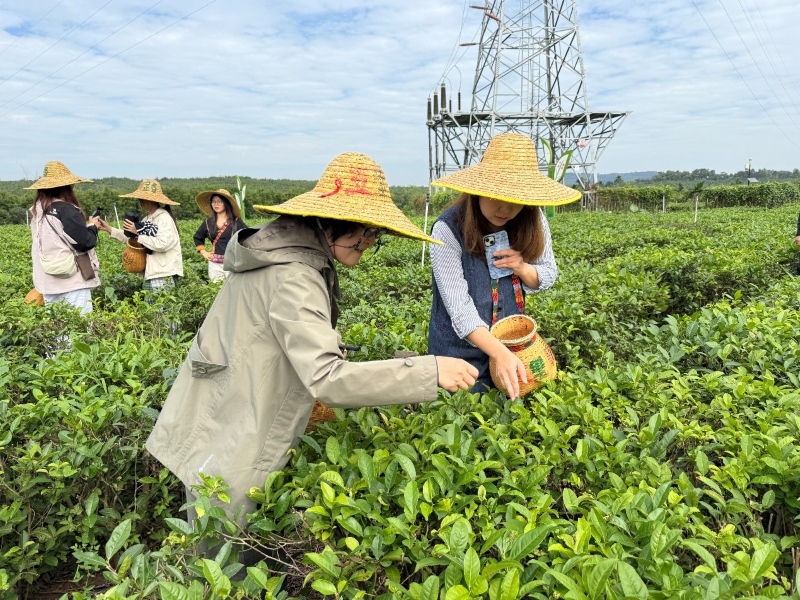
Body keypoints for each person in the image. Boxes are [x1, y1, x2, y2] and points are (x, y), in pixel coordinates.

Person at [145, 152, 478, 532]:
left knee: (210, 539)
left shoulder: (278, 254)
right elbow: (328, 378)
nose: (370, 242)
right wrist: (428, 371)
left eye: (375, 233)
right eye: (366, 231)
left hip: (225, 409)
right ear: (333, 223)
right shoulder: (296, 276)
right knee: (224, 557)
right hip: (235, 426)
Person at [427, 132, 581, 398]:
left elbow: (548, 273)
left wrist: (522, 267)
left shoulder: (532, 218)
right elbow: (461, 312)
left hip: (513, 347)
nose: (505, 208)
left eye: (516, 199)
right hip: (459, 356)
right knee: (465, 419)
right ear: (478, 189)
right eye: (496, 195)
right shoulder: (447, 229)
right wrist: (500, 354)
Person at [28, 161, 101, 314]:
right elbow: (84, 242)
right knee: (79, 331)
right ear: (66, 187)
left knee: (58, 330)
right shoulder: (65, 209)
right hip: (71, 282)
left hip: (48, 281)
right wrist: (93, 227)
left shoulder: (38, 211)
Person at [98, 179, 184, 293]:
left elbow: (163, 244)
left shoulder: (164, 218)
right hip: (152, 272)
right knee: (153, 309)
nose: (140, 202)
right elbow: (133, 240)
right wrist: (109, 229)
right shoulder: (147, 219)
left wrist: (138, 233)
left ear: (149, 200)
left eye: (141, 199)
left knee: (161, 310)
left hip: (164, 274)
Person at [193, 189, 247, 281]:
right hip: (215, 265)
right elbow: (197, 237)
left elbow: (247, 236)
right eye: (213, 202)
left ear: (226, 203)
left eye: (219, 201)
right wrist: (203, 252)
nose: (216, 204)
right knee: (216, 290)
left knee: (232, 291)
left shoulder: (236, 221)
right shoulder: (208, 223)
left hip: (232, 263)